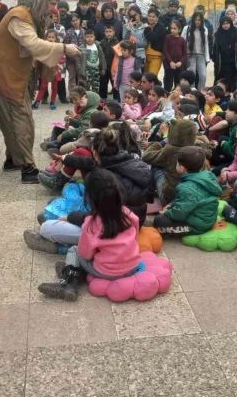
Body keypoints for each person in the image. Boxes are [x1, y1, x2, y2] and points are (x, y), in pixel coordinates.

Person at [0, 0, 81, 182]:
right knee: (22, 120)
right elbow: (34, 45)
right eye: (52, 3)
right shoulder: (19, 17)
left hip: (15, 74)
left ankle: (12, 160)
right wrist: (63, 49)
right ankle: (27, 168)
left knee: (11, 120)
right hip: (4, 76)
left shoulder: (30, 16)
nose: (54, 9)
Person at [37, 169, 141, 301]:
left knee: (74, 250)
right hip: (132, 266)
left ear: (91, 200)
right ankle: (76, 273)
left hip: (106, 271)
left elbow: (84, 253)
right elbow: (135, 234)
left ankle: (69, 283)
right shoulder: (128, 214)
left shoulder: (91, 224)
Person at [153, 146, 222, 235]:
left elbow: (180, 213)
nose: (176, 165)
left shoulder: (186, 187)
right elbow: (187, 201)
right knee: (172, 205)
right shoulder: (208, 175)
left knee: (159, 222)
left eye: (177, 163)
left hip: (198, 225)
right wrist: (171, 206)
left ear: (182, 168)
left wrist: (167, 213)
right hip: (205, 217)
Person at [142, 119, 198, 203]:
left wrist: (158, 144)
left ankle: (149, 195)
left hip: (170, 198)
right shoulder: (198, 150)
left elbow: (146, 156)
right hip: (191, 196)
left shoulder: (171, 150)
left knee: (156, 166)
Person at [32, 30, 64, 110]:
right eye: (49, 37)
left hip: (55, 70)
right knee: (43, 86)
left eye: (52, 37)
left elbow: (62, 58)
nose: (50, 39)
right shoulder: (44, 48)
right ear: (46, 38)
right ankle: (37, 101)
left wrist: (58, 63)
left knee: (54, 87)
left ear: (56, 38)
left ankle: (52, 102)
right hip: (46, 69)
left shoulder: (58, 47)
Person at [212, 15, 237, 92]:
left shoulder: (236, 32)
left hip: (233, 63)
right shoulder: (218, 34)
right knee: (220, 81)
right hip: (221, 63)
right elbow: (215, 49)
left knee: (231, 82)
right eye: (223, 24)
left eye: (227, 23)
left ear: (230, 23)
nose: (225, 25)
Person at [182, 9, 211, 90]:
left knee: (203, 75)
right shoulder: (186, 28)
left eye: (199, 20)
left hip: (201, 55)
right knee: (192, 75)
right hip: (190, 54)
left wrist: (207, 58)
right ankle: (191, 91)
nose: (197, 22)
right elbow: (182, 41)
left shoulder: (205, 29)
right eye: (195, 19)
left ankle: (200, 91)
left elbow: (206, 44)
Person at [162, 20, 188, 90]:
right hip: (169, 64)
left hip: (179, 65)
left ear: (179, 29)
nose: (172, 30)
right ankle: (167, 95)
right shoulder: (167, 38)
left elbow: (185, 54)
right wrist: (170, 62)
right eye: (171, 28)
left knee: (178, 82)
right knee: (168, 82)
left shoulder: (182, 40)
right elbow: (165, 50)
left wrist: (180, 62)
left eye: (174, 28)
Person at [64, 13, 86, 91]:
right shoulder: (68, 32)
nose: (75, 22)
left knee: (81, 76)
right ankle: (72, 94)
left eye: (76, 20)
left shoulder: (84, 31)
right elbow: (66, 45)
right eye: (73, 21)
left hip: (81, 59)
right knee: (72, 77)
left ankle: (81, 93)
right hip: (71, 59)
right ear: (71, 22)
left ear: (80, 20)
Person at [142, 7, 166, 76]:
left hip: (156, 56)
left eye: (153, 17)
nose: (151, 18)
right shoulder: (145, 26)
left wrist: (147, 28)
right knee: (144, 78)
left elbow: (153, 38)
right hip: (145, 56)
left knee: (151, 77)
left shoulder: (161, 28)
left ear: (157, 18)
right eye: (149, 16)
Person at [123, 5, 147, 69]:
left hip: (140, 56)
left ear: (139, 14)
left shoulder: (145, 27)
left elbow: (145, 43)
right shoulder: (126, 27)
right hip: (129, 56)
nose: (134, 18)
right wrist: (128, 29)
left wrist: (136, 43)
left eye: (135, 15)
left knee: (139, 76)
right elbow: (124, 42)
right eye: (131, 16)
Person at [98, 25, 119, 101]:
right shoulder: (101, 43)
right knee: (103, 82)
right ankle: (103, 97)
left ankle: (116, 98)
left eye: (110, 31)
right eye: (106, 32)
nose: (108, 33)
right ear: (104, 33)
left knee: (115, 82)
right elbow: (100, 55)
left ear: (114, 32)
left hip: (114, 67)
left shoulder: (117, 43)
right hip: (104, 66)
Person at [81, 29, 104, 96]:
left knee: (96, 87)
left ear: (94, 37)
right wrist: (81, 70)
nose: (89, 38)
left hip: (96, 69)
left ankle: (95, 101)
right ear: (84, 38)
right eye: (87, 37)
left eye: (91, 36)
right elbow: (79, 60)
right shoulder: (83, 47)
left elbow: (102, 57)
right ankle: (87, 101)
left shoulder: (98, 46)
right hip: (87, 70)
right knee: (86, 87)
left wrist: (103, 68)